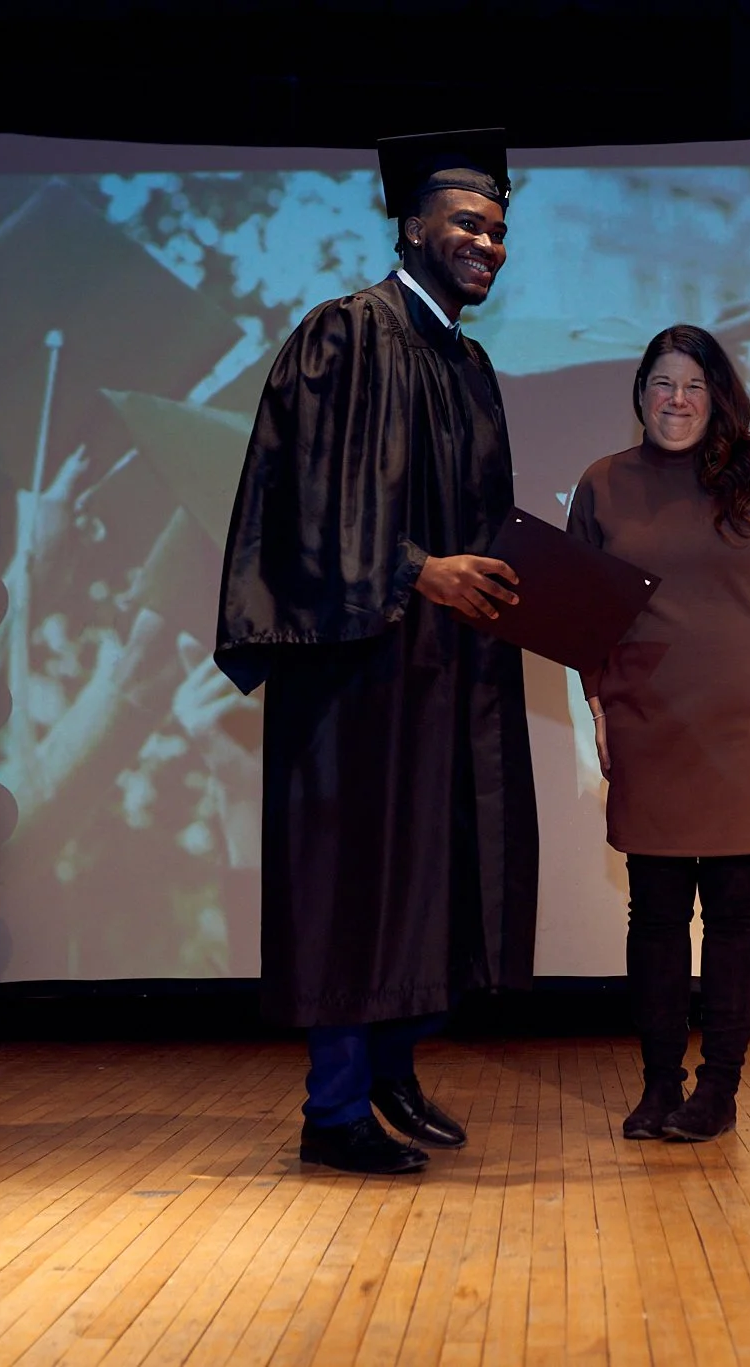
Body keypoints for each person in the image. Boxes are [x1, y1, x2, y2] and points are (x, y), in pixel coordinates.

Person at [213, 129, 539, 1176]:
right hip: (356, 669)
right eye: (466, 223)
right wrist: (417, 572)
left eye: (496, 227)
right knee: (357, 876)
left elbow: (480, 523)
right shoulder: (344, 337)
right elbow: (308, 506)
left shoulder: (466, 362)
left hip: (446, 670)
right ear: (413, 225)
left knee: (433, 870)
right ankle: (333, 1110)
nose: (485, 241)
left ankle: (393, 1071)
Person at [564, 324, 750, 1142]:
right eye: (661, 384)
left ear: (716, 396)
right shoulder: (602, 485)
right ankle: (658, 1086)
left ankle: (717, 1089)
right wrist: (600, 710)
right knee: (651, 914)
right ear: (640, 394)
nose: (676, 400)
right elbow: (581, 616)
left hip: (746, 722)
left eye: (693, 385)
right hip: (647, 724)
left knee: (733, 910)